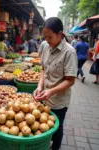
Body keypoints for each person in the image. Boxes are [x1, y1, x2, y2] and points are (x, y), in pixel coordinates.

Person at [33, 17, 77, 150]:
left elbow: (71, 80)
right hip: (44, 98)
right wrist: (39, 87)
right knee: (43, 125)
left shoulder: (69, 52)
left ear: (60, 34)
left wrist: (51, 91)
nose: (47, 40)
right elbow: (43, 70)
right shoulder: (46, 46)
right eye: (45, 37)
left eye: (50, 37)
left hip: (58, 101)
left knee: (57, 128)